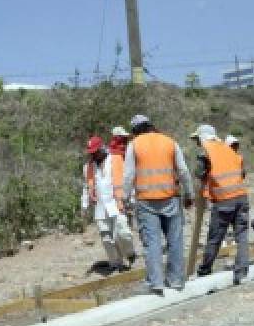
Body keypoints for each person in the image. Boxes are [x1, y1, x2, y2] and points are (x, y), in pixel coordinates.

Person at [123, 114, 194, 294]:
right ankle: (176, 280)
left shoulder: (134, 145)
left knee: (152, 243)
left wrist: (125, 198)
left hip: (146, 201)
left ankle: (156, 283)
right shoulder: (170, 142)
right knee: (175, 240)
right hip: (171, 198)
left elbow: (129, 175)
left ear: (135, 131)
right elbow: (183, 171)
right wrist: (189, 193)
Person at [191, 124, 250, 284]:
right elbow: (242, 172)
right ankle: (241, 273)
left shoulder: (205, 152)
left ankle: (205, 270)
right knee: (242, 236)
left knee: (214, 238)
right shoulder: (228, 149)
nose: (197, 143)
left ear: (203, 137)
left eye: (197, 140)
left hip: (224, 200)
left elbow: (199, 173)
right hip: (241, 197)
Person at [80, 136, 136, 271]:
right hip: (100, 208)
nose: (93, 155)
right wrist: (84, 205)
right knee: (106, 239)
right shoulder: (88, 167)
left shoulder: (116, 160)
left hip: (116, 204)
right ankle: (116, 263)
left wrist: (132, 199)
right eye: (91, 153)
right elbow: (87, 187)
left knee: (122, 233)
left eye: (95, 152)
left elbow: (128, 180)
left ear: (102, 148)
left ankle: (130, 253)